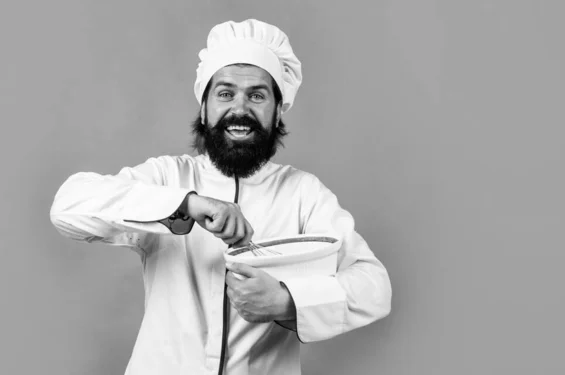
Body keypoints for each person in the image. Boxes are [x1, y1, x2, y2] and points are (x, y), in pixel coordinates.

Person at [50, 19, 392, 375]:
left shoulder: (303, 194)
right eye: (225, 93)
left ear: (278, 111)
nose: (240, 109)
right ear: (203, 107)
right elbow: (67, 207)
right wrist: (185, 205)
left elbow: (374, 286)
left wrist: (288, 301)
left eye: (257, 95)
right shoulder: (169, 177)